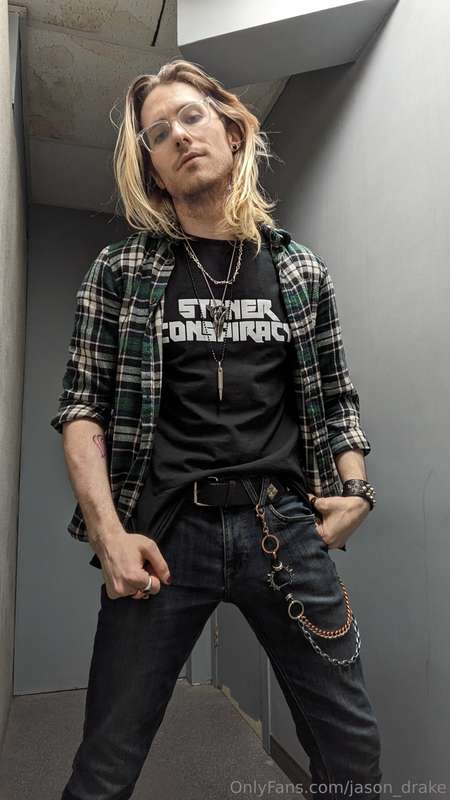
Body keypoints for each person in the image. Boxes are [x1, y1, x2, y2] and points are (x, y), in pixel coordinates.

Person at [51, 58, 382, 800]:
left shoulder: (300, 272)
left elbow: (336, 397)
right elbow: (81, 408)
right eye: (157, 134)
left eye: (191, 117)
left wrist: (358, 489)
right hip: (165, 534)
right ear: (154, 168)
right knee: (104, 767)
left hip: (284, 528)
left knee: (353, 759)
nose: (177, 136)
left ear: (232, 132)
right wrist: (109, 536)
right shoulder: (121, 270)